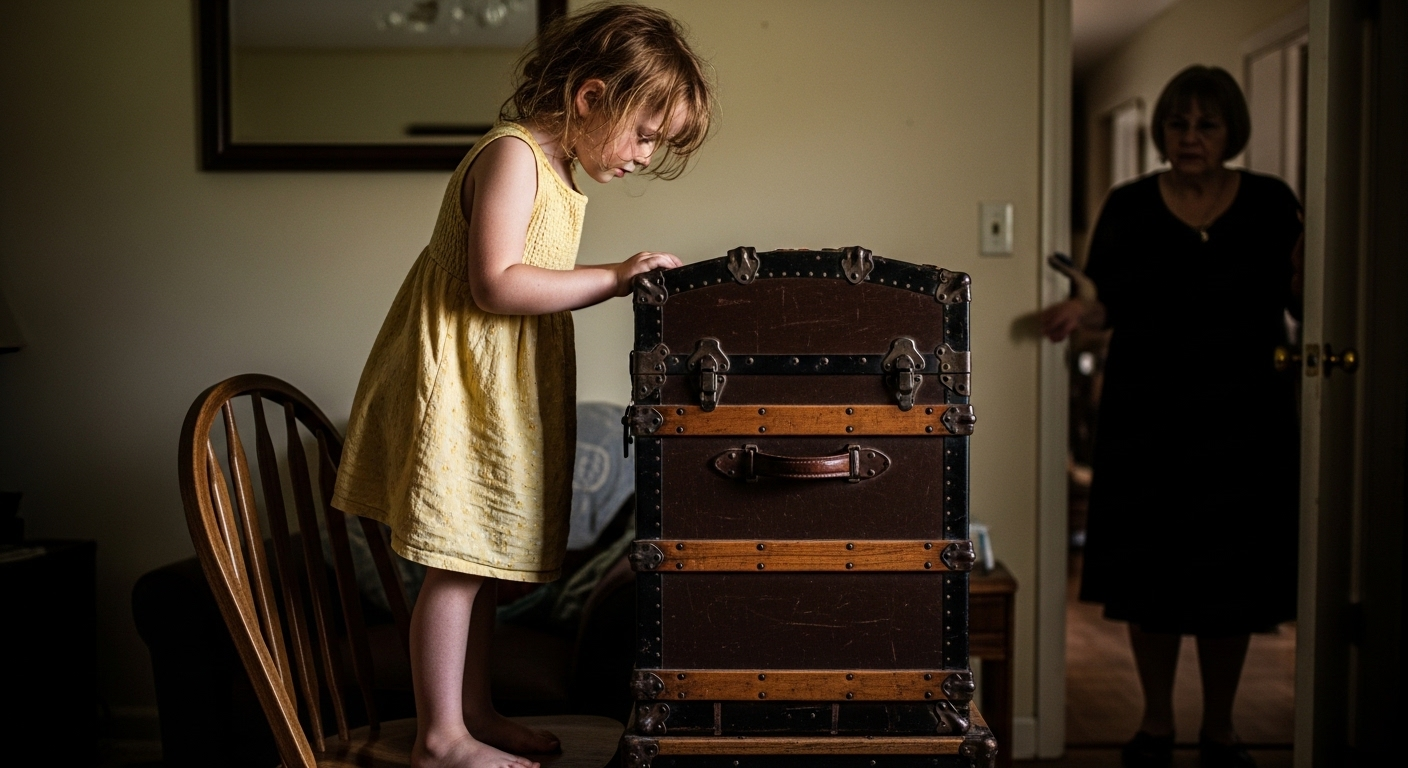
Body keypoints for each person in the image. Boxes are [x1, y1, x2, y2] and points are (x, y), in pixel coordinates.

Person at [330, 5, 713, 767]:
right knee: (457, 561)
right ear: (590, 96)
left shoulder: (558, 169)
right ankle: (441, 738)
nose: (643, 156)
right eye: (642, 133)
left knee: (484, 561)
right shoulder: (513, 155)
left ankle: (474, 713)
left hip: (495, 389)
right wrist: (610, 276)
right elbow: (495, 283)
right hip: (459, 388)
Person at [1041, 65, 1301, 768]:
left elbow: (1307, 296)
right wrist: (1079, 312)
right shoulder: (1128, 205)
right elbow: (1107, 303)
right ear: (1161, 131)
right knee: (1149, 575)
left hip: (1245, 419)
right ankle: (1155, 723)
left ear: (1231, 131)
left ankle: (1221, 728)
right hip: (1147, 413)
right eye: (1178, 124)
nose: (1189, 138)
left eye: (1206, 124)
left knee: (1230, 582)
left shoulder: (1274, 202)